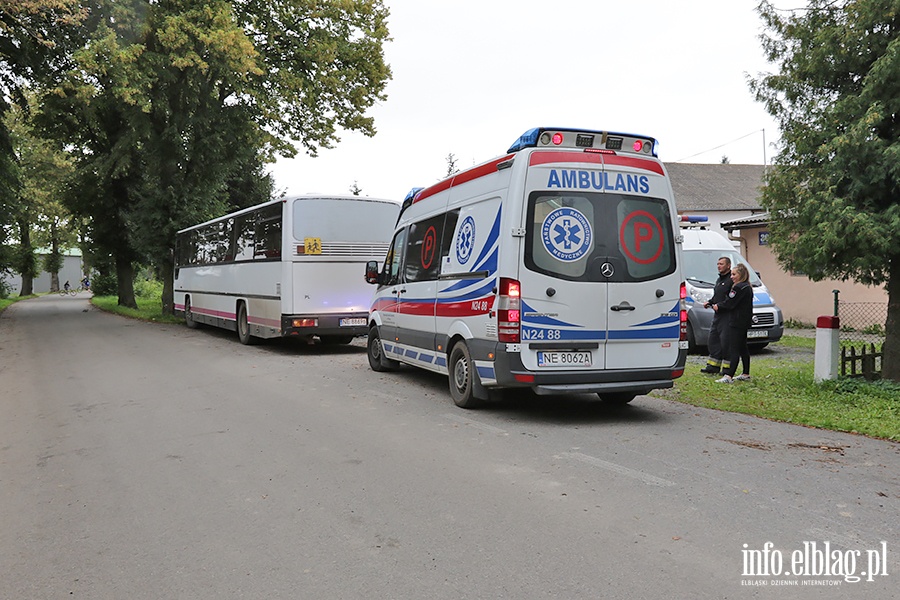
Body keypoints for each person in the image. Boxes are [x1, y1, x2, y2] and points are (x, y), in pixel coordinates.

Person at [712, 263, 754, 383]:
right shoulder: (747, 287)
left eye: (734, 274)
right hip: (744, 321)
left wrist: (718, 306)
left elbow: (730, 303)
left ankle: (729, 376)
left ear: (740, 275)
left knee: (734, 348)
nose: (731, 277)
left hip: (736, 321)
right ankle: (746, 373)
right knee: (743, 348)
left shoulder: (738, 288)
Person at [700, 256, 733, 374]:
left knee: (725, 342)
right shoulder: (719, 280)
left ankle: (727, 369)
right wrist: (710, 302)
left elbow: (731, 299)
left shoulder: (731, 280)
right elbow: (717, 296)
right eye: (718, 264)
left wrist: (720, 306)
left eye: (721, 264)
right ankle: (713, 366)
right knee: (713, 340)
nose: (719, 266)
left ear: (728, 266)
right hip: (717, 315)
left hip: (727, 316)